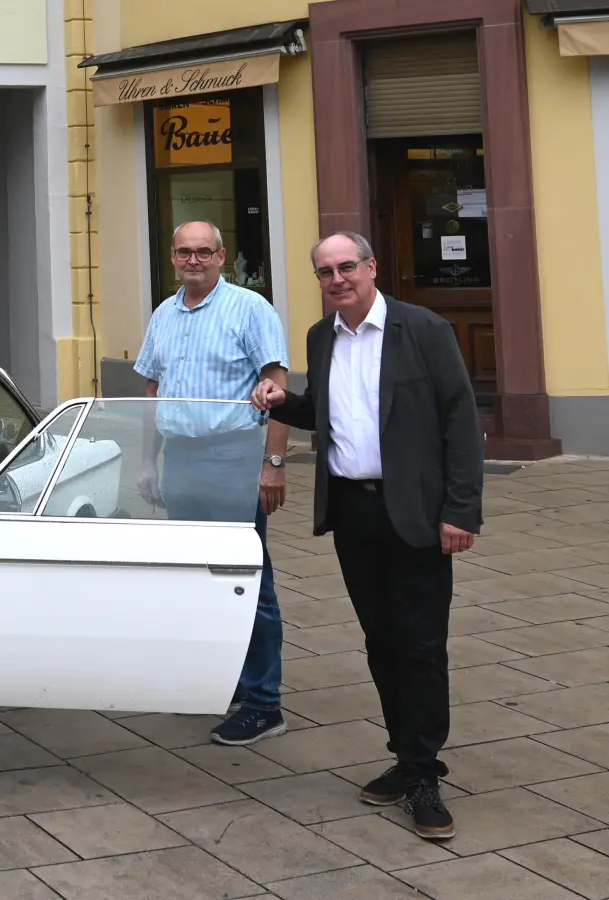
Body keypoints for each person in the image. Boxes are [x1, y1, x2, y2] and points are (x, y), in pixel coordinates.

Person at [252, 231, 482, 842]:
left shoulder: (423, 329)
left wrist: (461, 511)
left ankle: (424, 774)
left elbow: (460, 421)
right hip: (353, 514)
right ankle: (406, 756)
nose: (337, 279)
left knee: (420, 646)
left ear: (371, 267)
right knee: (380, 640)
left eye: (346, 267)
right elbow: (326, 413)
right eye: (325, 271)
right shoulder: (321, 337)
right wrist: (282, 401)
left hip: (415, 514)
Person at [134, 221, 291, 747]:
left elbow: (277, 386)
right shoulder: (164, 313)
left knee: (247, 579)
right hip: (181, 458)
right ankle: (224, 681)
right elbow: (154, 391)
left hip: (232, 458)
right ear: (172, 256)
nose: (193, 260)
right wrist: (147, 461)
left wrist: (273, 463)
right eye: (184, 252)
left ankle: (264, 703)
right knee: (197, 578)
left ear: (222, 256)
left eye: (204, 251)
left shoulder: (249, 309)